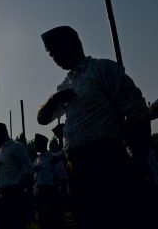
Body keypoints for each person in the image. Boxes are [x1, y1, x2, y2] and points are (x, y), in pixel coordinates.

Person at [37, 25, 153, 229]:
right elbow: (43, 119)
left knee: (115, 218)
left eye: (56, 51)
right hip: (77, 165)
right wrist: (54, 100)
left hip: (106, 159)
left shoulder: (102, 69)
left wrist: (140, 159)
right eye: (51, 55)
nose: (55, 58)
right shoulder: (65, 86)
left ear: (73, 45)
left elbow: (136, 111)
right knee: (87, 219)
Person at [0, 122, 33, 229]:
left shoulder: (16, 146)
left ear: (2, 133)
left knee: (16, 224)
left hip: (15, 194)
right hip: (2, 196)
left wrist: (29, 192)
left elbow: (28, 169)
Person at [33, 133, 67, 229]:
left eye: (36, 144)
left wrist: (63, 195)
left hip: (52, 193)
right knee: (44, 222)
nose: (35, 146)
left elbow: (62, 177)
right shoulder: (36, 161)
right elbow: (36, 179)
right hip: (41, 194)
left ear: (42, 144)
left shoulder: (53, 157)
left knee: (55, 222)